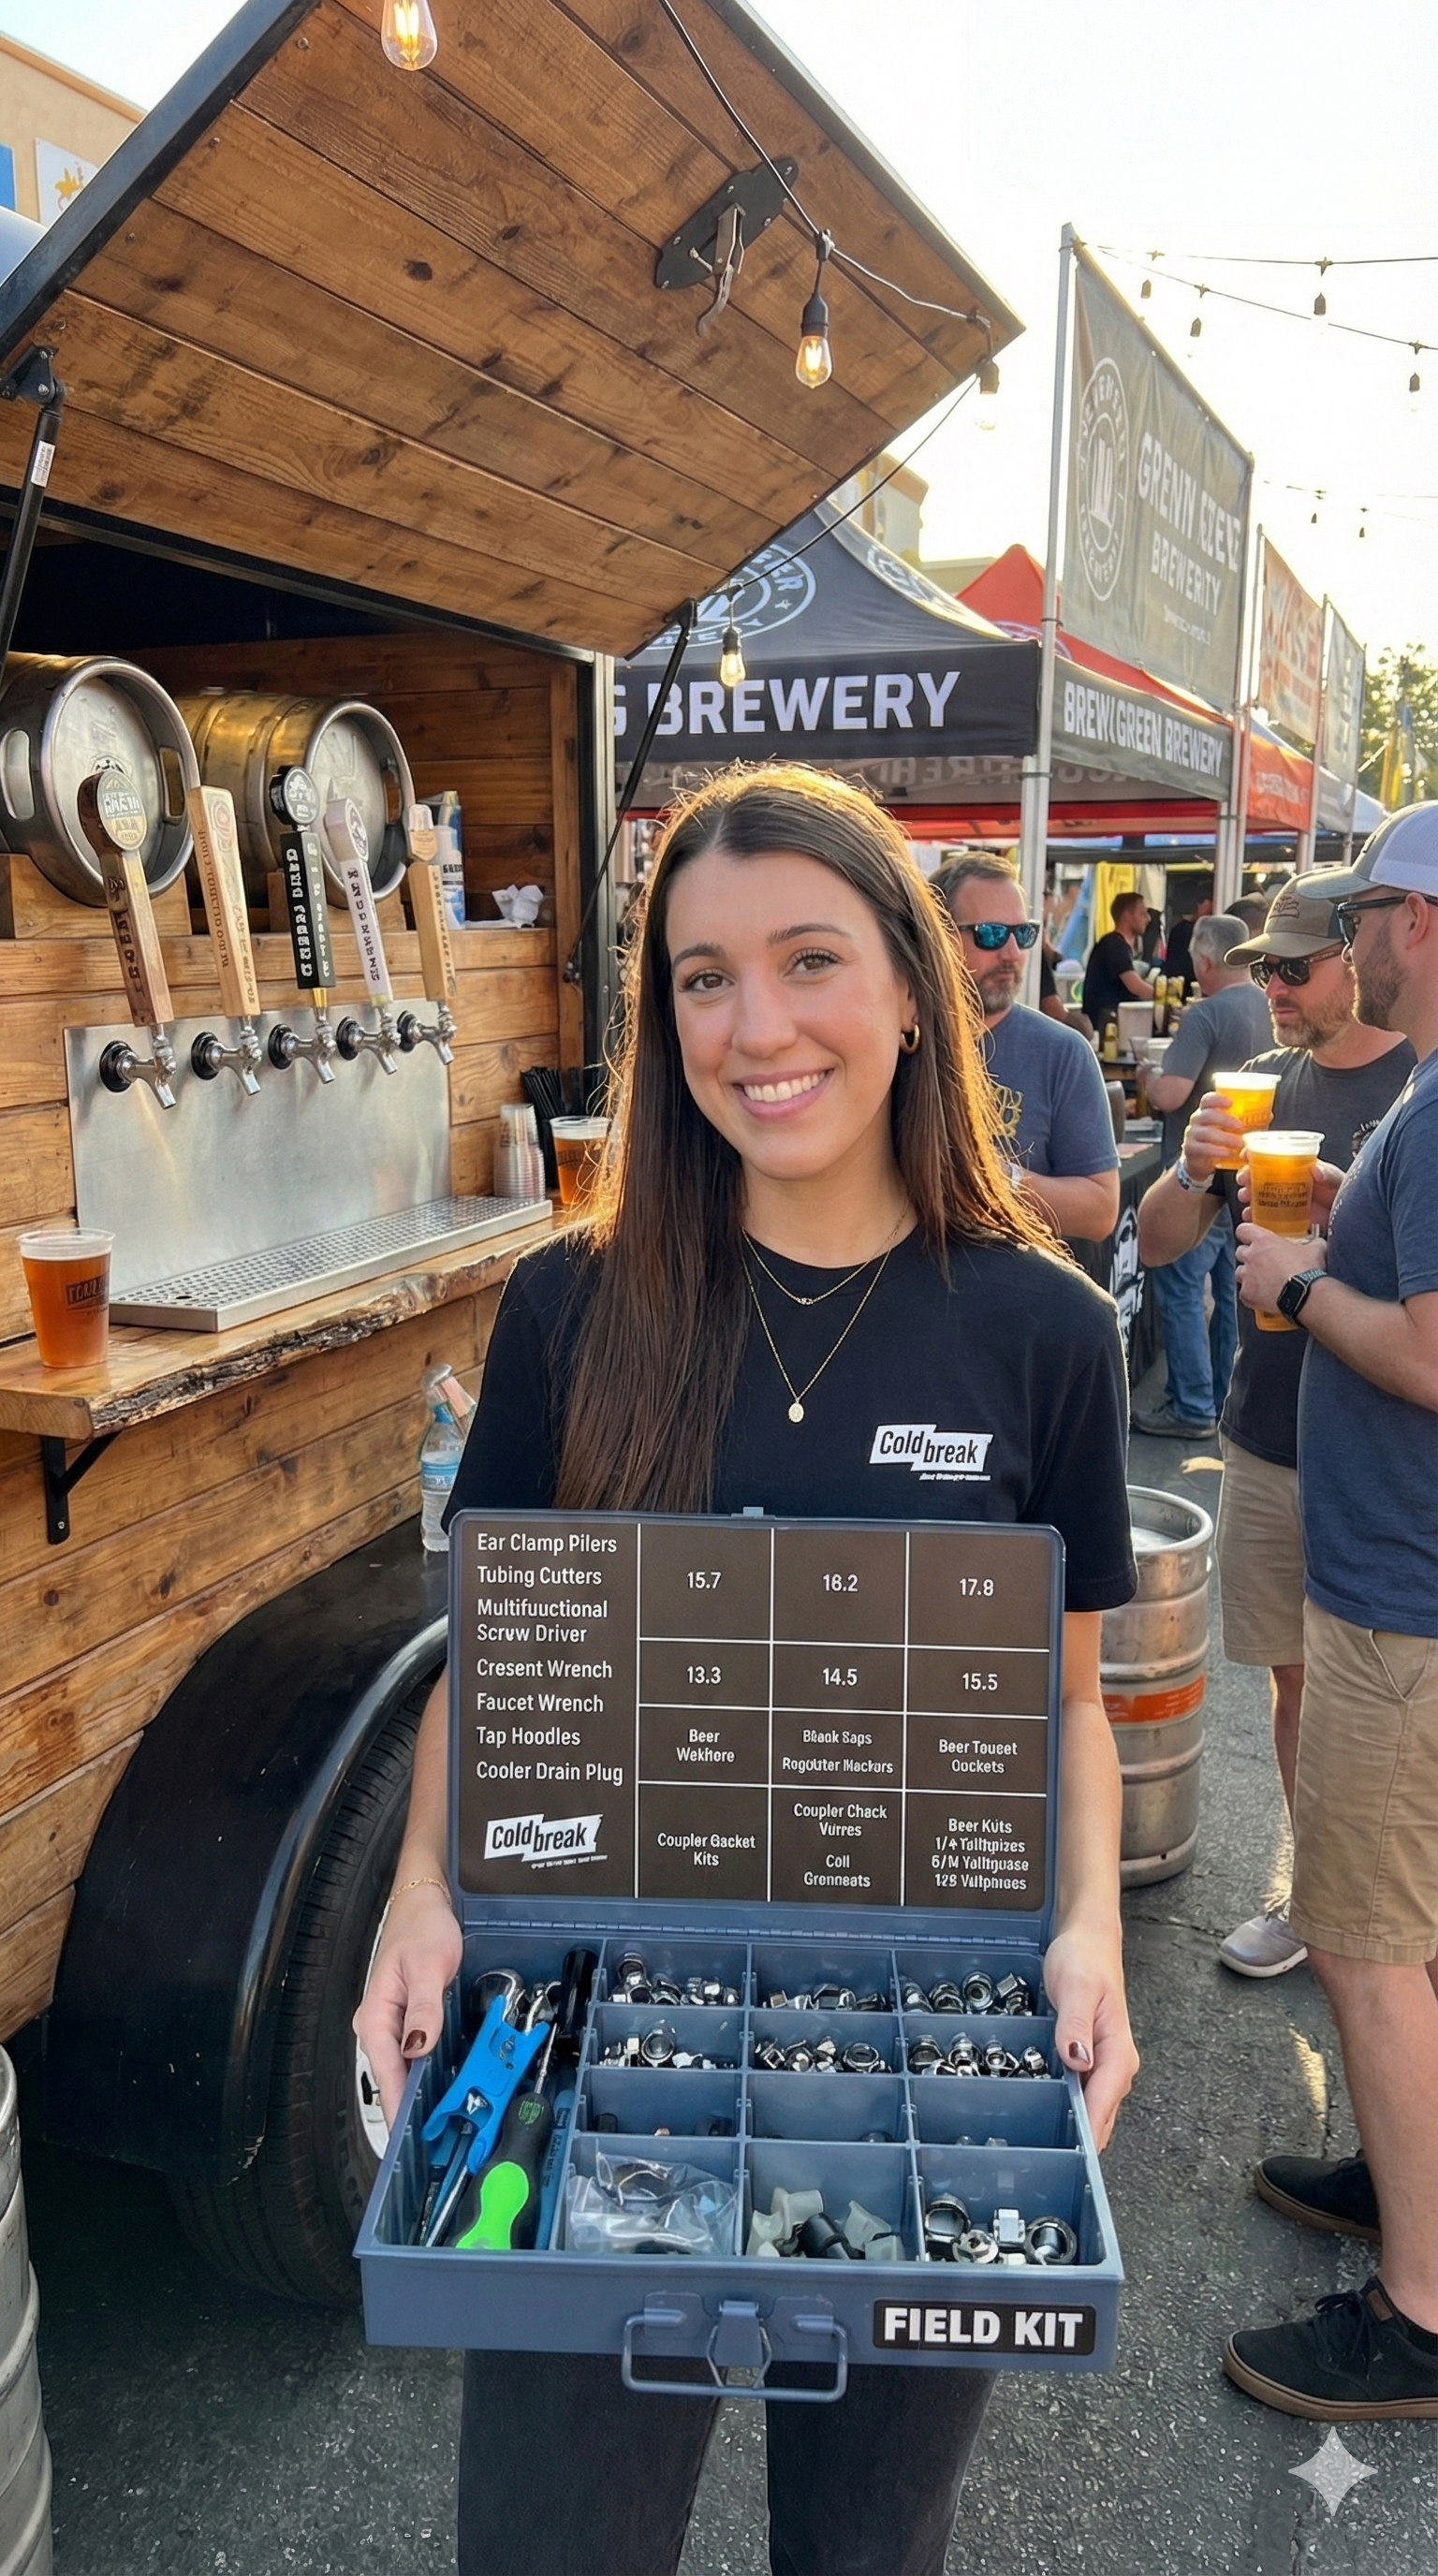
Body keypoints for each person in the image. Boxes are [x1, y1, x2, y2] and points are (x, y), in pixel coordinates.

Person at [357, 766, 1141, 2573]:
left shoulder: (1040, 1328)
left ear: (909, 990)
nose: (756, 1026)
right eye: (702, 978)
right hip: (593, 1986)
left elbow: (1068, 1703)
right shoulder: (568, 1304)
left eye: (808, 960)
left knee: (870, 2545)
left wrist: (1086, 1923)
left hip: (934, 2024)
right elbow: (503, 1650)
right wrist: (420, 1888)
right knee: (554, 2539)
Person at [1225, 808, 1438, 2422]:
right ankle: (1400, 2171)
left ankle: (1420, 2310)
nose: (1350, 942)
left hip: (1403, 1595)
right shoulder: (1418, 1105)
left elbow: (1432, 1357)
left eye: (1367, 910)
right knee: (1406, 1934)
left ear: (1416, 922)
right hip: (1402, 1579)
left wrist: (1293, 1282)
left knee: (1364, 1942)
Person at [1136, 878, 1414, 1975]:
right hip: (1266, 1430)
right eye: (1266, 970)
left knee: (1387, 1692)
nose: (1277, 990)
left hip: (1385, 1453)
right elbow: (1157, 1243)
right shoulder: (1253, 1084)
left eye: (1297, 969)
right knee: (1293, 1676)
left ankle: (1388, 1927)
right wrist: (1197, 1167)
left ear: (1360, 956)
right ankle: (1314, 1899)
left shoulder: (1417, 1087)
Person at [1134, 915, 1271, 1438]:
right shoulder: (1266, 1004)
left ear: (1207, 962)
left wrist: (1146, 1073)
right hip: (1248, 1175)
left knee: (1182, 1289)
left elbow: (1169, 1095)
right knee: (1231, 1292)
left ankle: (1192, 1405)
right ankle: (1216, 1399)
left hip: (1198, 1174)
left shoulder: (1206, 1013)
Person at [936, 852, 1120, 1241]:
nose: (1012, 954)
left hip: (1011, 1294)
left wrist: (995, 1177)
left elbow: (1100, 1211)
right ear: (938, 934)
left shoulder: (1061, 1053)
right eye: (990, 934)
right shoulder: (893, 1039)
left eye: (1023, 934)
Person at [1082, 888, 1152, 1030]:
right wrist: (1167, 997)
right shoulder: (1114, 944)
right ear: (1127, 916)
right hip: (1106, 1028)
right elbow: (1135, 986)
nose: (1148, 918)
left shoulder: (1117, 945)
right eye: (1143, 913)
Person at [1161, 885, 1211, 993]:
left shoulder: (1178, 929)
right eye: (1210, 902)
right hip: (1188, 990)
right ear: (1200, 904)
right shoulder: (1191, 931)